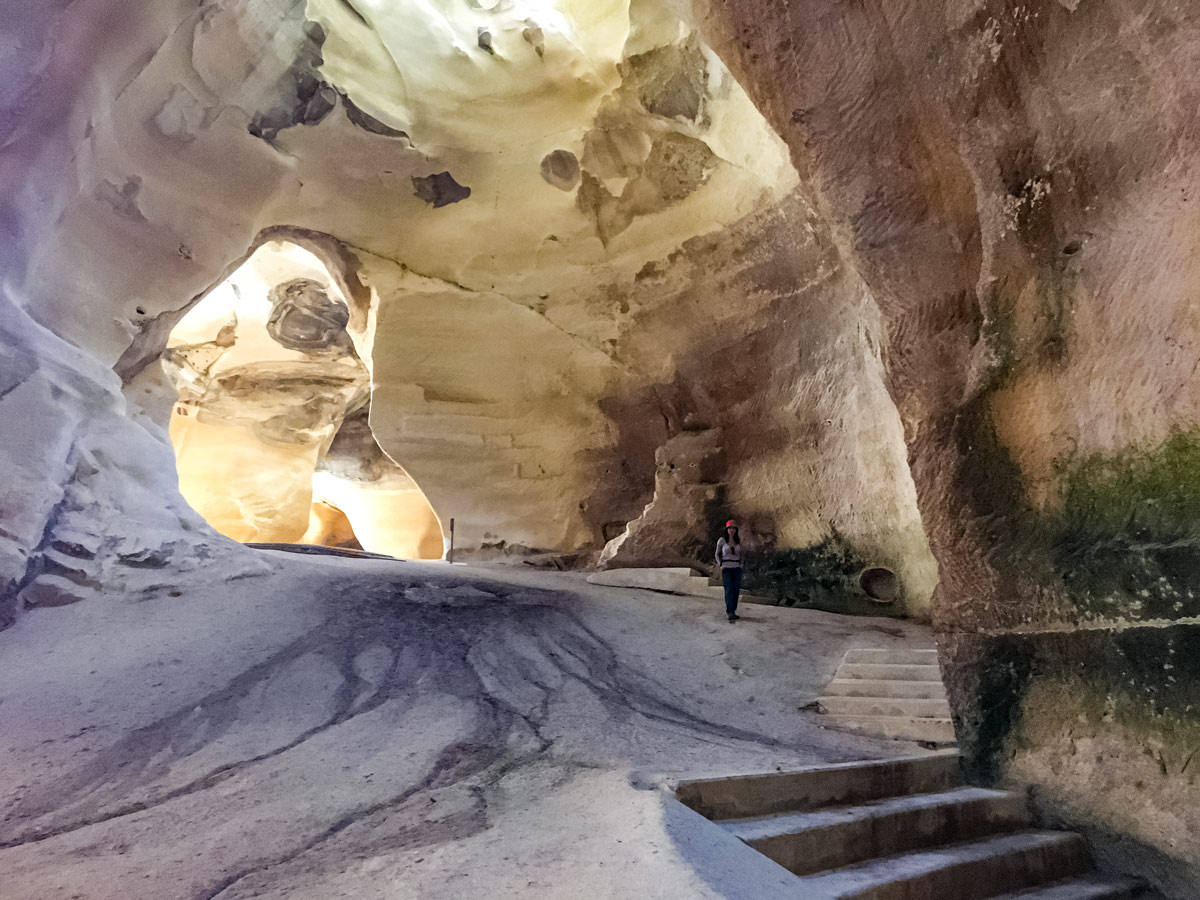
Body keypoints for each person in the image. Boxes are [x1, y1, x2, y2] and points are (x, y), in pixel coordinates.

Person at [714, 519, 743, 622]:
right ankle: (729, 611)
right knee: (729, 589)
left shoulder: (738, 540)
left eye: (734, 528)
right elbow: (717, 554)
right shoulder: (722, 540)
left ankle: (733, 611)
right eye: (730, 528)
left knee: (736, 590)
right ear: (726, 529)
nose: (732, 530)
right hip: (726, 567)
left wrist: (741, 563)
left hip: (736, 568)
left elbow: (741, 553)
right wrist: (720, 564)